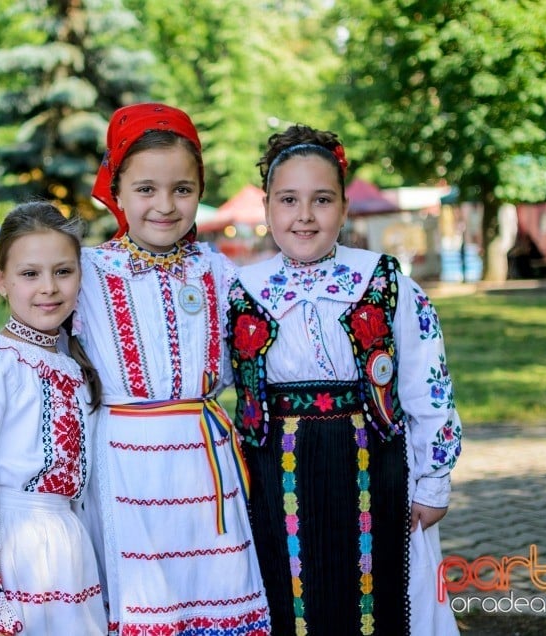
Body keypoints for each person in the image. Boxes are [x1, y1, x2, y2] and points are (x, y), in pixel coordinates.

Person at [226, 124, 462, 635]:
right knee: (292, 597)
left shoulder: (384, 280)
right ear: (267, 207)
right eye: (288, 200)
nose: (304, 215)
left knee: (380, 599)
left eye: (322, 200)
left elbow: (428, 385)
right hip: (277, 473)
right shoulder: (241, 288)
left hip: (375, 467)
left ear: (345, 208)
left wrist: (434, 478)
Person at [76, 103, 271, 634]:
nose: (165, 205)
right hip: (125, 465)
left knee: (215, 593)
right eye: (146, 190)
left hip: (206, 464)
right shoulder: (86, 272)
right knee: (145, 600)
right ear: (116, 191)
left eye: (183, 190)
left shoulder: (217, 269)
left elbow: (258, 348)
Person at [0, 201, 108, 635]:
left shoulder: (74, 363)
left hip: (70, 545)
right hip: (15, 547)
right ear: (0, 279)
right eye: (30, 274)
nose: (48, 287)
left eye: (63, 271)